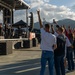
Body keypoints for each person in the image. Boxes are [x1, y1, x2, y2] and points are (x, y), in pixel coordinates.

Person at [37, 10, 57, 75]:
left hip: (45, 52)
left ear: (45, 28)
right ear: (49, 28)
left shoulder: (43, 33)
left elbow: (40, 24)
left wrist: (38, 14)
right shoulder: (54, 36)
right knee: (51, 68)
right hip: (51, 52)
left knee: (43, 68)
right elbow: (55, 46)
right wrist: (52, 50)